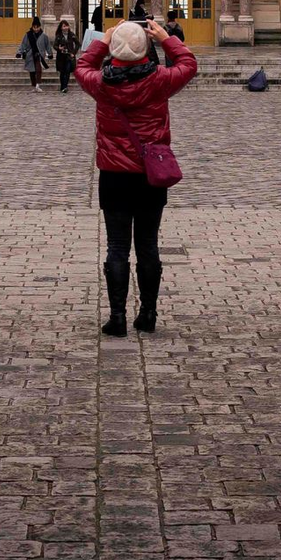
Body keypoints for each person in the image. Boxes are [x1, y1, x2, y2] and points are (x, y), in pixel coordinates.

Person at [75, 18, 197, 337]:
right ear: (146, 48)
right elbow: (189, 63)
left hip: (114, 177)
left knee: (117, 246)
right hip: (149, 175)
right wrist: (167, 38)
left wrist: (104, 39)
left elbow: (81, 64)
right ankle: (148, 313)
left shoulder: (101, 83)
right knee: (147, 245)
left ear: (113, 49)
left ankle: (117, 317)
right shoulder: (160, 80)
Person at [16, 17, 52, 92]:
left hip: (40, 55)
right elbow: (23, 44)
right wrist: (20, 52)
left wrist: (50, 53)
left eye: (37, 27)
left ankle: (38, 85)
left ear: (40, 27)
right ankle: (34, 85)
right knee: (32, 71)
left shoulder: (44, 36)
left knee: (38, 70)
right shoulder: (28, 35)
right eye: (34, 27)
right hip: (30, 55)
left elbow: (48, 45)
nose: (36, 29)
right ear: (32, 27)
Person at [53, 19, 79, 94]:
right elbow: (54, 45)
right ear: (61, 27)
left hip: (69, 57)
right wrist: (59, 48)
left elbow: (78, 44)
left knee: (67, 71)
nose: (66, 27)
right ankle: (62, 86)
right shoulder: (59, 36)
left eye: (66, 26)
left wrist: (74, 52)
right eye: (64, 26)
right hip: (61, 57)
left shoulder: (72, 35)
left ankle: (65, 86)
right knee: (62, 72)